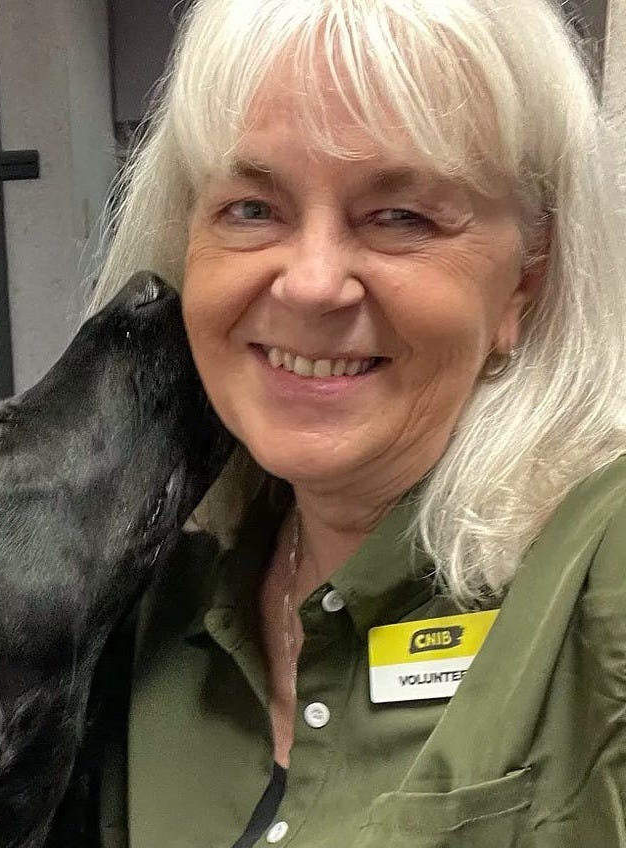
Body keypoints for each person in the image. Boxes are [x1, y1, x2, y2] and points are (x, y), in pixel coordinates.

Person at [88, 1, 626, 845]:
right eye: (253, 210)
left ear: (527, 276)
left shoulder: (602, 568)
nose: (310, 284)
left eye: (401, 217)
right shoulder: (154, 595)